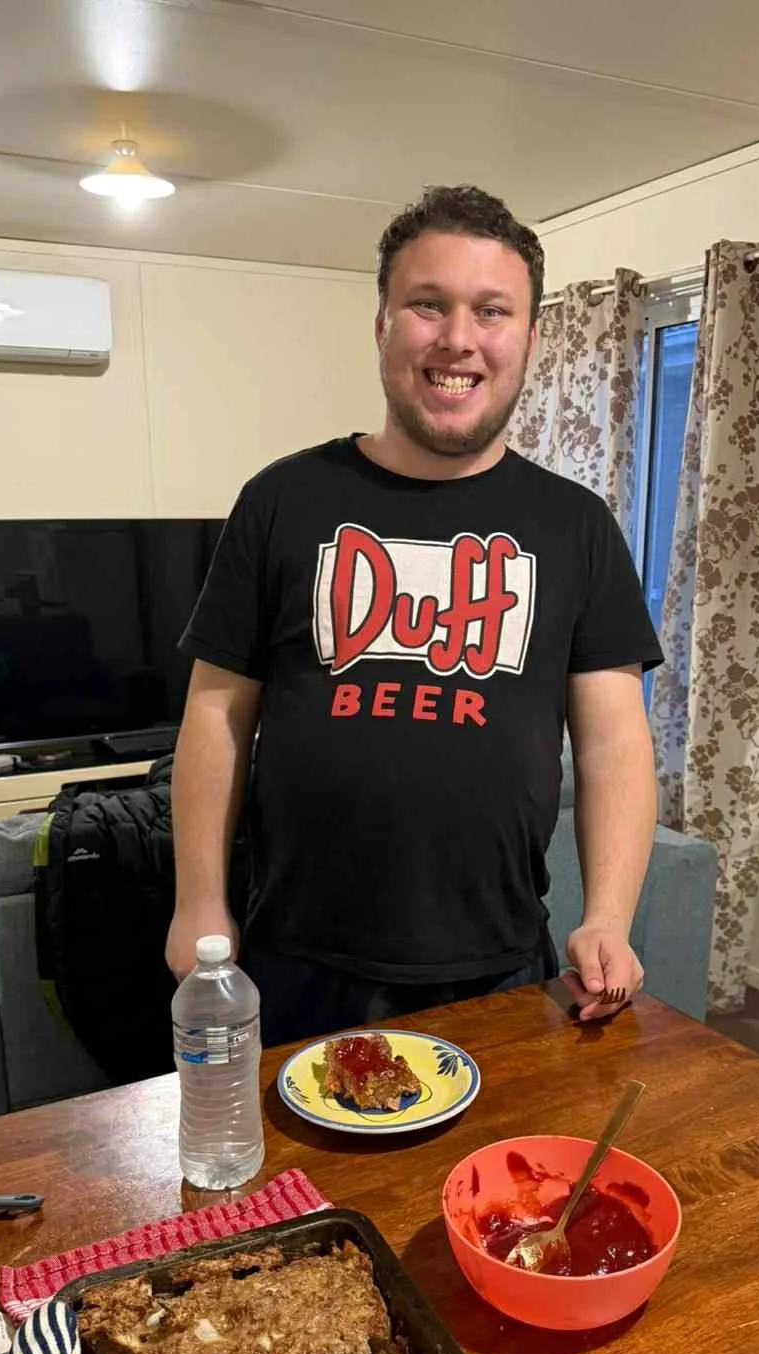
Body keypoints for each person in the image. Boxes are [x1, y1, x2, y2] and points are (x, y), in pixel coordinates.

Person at [167, 184, 663, 1047]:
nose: (458, 339)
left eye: (491, 311)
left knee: (494, 1184)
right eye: (427, 305)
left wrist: (609, 918)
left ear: (530, 338)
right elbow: (216, 711)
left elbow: (615, 740)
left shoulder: (576, 526)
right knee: (300, 1188)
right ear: (383, 325)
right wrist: (198, 904)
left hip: (501, 963)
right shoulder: (283, 499)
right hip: (298, 959)